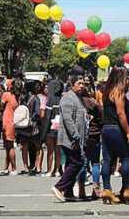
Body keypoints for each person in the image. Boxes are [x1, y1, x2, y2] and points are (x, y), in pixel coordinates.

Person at [100, 68, 129, 204]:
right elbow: (121, 113)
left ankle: (106, 189)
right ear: (123, 79)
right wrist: (128, 131)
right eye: (128, 78)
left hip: (106, 129)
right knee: (125, 158)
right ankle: (128, 189)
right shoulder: (119, 93)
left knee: (107, 160)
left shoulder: (106, 92)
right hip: (117, 129)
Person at [52, 74, 88, 202]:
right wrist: (75, 136)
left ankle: (68, 192)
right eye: (79, 83)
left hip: (76, 139)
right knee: (77, 163)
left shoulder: (78, 98)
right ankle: (59, 187)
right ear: (72, 84)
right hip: (69, 139)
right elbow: (68, 120)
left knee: (70, 164)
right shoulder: (68, 98)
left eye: (83, 83)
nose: (82, 86)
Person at [16, 81, 44, 176]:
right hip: (33, 126)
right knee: (38, 147)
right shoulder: (35, 98)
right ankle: (38, 167)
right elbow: (37, 113)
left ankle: (25, 167)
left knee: (25, 146)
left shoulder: (23, 98)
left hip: (24, 125)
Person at [43, 76, 64, 177]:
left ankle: (49, 170)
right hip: (61, 129)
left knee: (50, 151)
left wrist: (44, 132)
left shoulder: (50, 100)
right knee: (58, 151)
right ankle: (56, 170)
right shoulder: (63, 99)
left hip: (51, 129)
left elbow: (47, 117)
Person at [0, 79, 19, 176]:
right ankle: (6, 167)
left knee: (9, 146)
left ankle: (14, 168)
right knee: (8, 146)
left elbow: (1, 106)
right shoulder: (17, 96)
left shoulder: (6, 95)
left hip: (7, 122)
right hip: (12, 122)